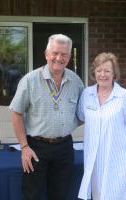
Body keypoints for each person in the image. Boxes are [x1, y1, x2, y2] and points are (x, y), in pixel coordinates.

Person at [9, 34, 84, 200]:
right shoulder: (30, 80)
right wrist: (24, 147)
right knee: (32, 195)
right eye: (55, 53)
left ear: (70, 57)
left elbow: (85, 110)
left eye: (64, 54)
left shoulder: (76, 81)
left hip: (65, 147)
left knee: (60, 194)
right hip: (36, 147)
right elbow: (16, 113)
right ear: (46, 54)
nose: (59, 58)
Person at [77, 52, 126, 200]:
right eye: (99, 70)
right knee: (97, 195)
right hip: (93, 160)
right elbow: (80, 117)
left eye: (107, 71)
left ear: (114, 74)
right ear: (94, 72)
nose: (102, 75)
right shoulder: (87, 94)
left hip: (117, 160)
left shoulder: (124, 96)